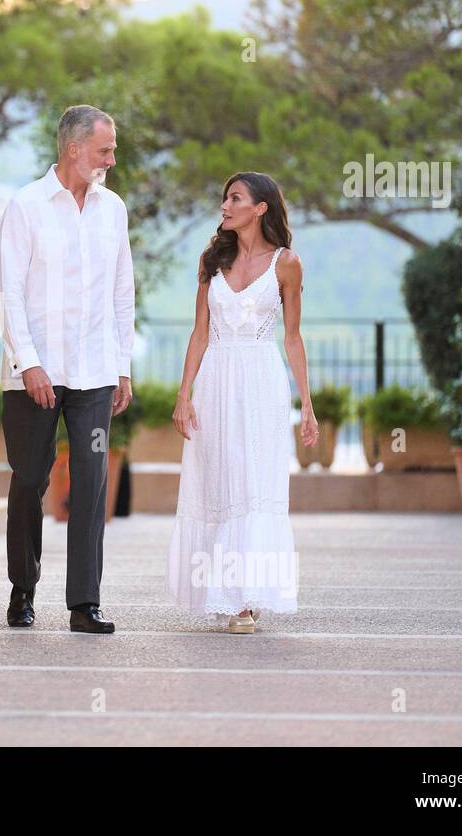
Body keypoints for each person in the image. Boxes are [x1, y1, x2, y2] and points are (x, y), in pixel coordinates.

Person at [0, 104, 134, 634]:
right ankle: (22, 590)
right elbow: (9, 292)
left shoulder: (113, 208)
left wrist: (121, 365)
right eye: (105, 149)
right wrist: (29, 363)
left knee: (92, 480)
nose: (112, 159)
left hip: (95, 372)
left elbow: (123, 290)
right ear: (74, 149)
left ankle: (84, 604)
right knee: (29, 480)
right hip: (34, 373)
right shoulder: (26, 206)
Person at [165, 171, 313, 633]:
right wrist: (183, 393)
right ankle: (227, 592)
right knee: (220, 483)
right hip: (215, 384)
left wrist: (306, 404)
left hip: (262, 384)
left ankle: (245, 599)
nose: (225, 206)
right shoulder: (213, 260)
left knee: (254, 484)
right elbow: (199, 332)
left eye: (235, 198)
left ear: (260, 207)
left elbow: (292, 338)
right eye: (225, 198)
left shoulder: (287, 264)